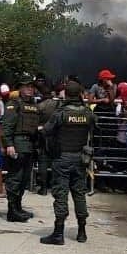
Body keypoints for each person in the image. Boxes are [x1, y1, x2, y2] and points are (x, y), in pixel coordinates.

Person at [40, 81, 97, 245]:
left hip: (62, 158)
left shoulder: (61, 113)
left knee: (61, 194)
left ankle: (58, 233)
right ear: (80, 94)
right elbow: (96, 126)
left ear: (66, 94)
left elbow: (46, 131)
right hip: (81, 159)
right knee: (79, 193)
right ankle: (82, 232)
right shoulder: (87, 113)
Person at [0, 77, 40, 222]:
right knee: (15, 178)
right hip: (17, 144)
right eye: (26, 86)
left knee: (24, 179)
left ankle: (18, 206)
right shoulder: (14, 104)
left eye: (31, 86)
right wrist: (9, 144)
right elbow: (7, 126)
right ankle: (12, 211)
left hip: (29, 145)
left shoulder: (33, 105)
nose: (30, 89)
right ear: (20, 88)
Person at [33, 75, 59, 196]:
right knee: (54, 161)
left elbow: (35, 122)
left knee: (42, 161)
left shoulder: (39, 106)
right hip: (54, 135)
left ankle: (43, 187)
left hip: (42, 135)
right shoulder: (57, 105)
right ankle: (54, 186)